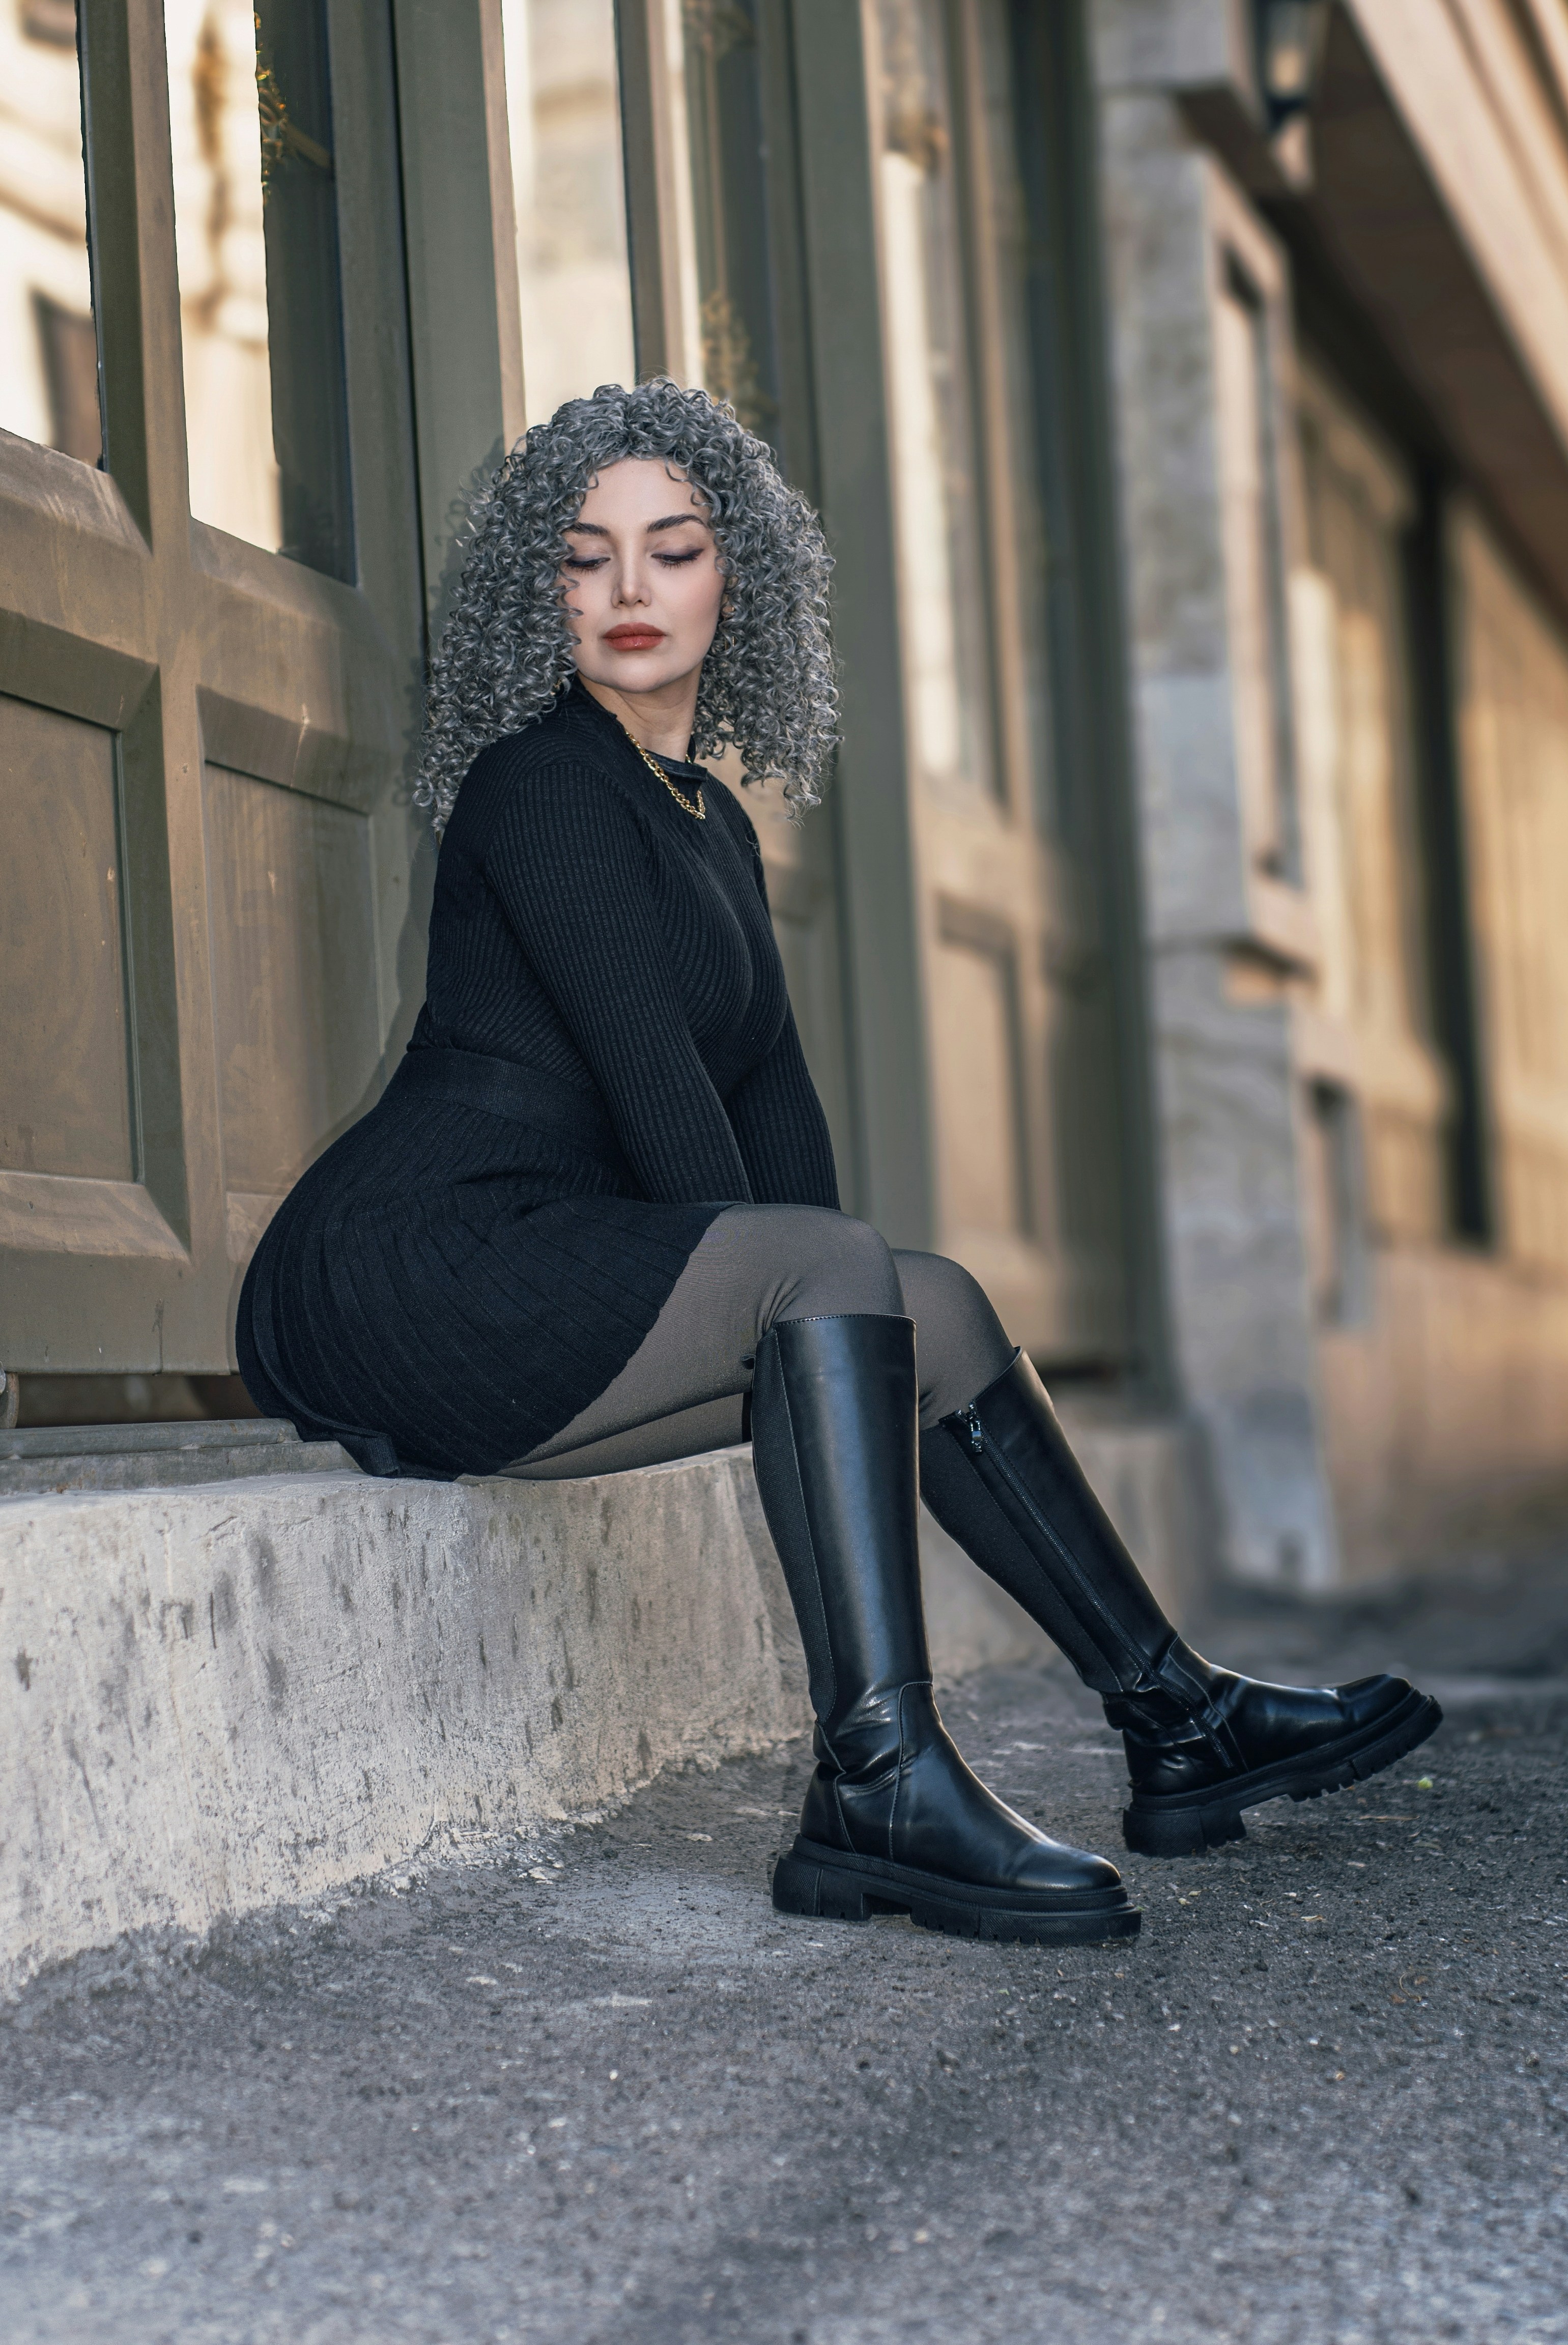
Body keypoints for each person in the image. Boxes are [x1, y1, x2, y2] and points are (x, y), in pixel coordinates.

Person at [238, 381, 1440, 1948]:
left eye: (672, 549)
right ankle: (876, 1782)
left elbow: (778, 1129)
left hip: (545, 1255)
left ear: (735, 581)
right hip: (412, 1265)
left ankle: (1175, 1714)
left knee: (927, 1299)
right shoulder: (536, 784)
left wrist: (858, 1316)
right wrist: (813, 1300)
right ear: (540, 593)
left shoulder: (708, 821)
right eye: (585, 556)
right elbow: (671, 1119)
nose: (628, 588)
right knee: (828, 1272)